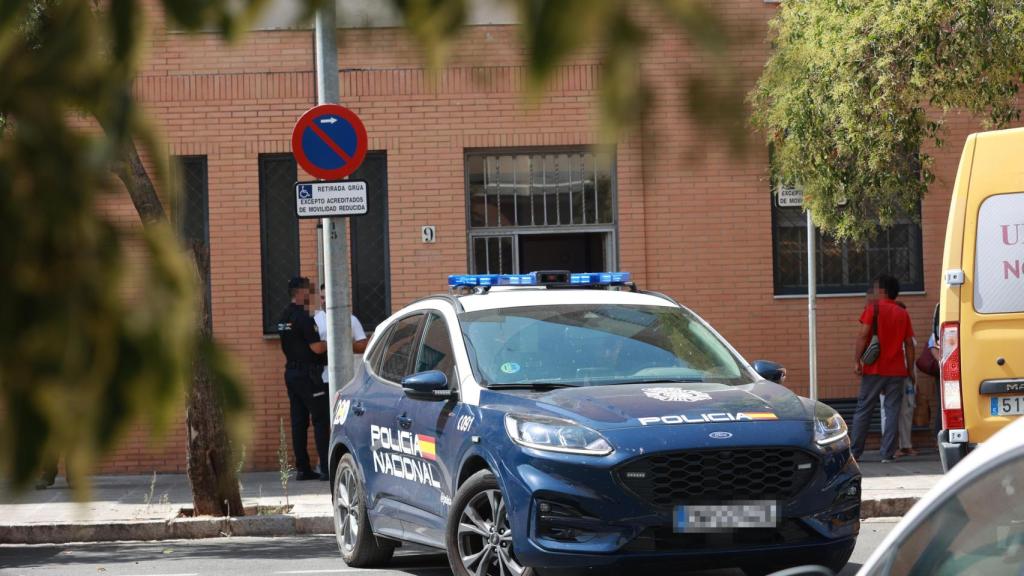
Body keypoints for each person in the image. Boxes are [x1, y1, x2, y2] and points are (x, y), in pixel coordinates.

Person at [851, 274, 916, 463]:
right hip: (897, 371)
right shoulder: (903, 313)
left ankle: (855, 452)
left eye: (876, 288)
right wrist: (910, 369)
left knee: (864, 409)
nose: (874, 291)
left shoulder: (873, 309)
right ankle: (887, 453)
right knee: (892, 411)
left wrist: (857, 361)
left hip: (874, 369)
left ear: (882, 290)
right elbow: (909, 344)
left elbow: (863, 336)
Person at [277, 277, 329, 481]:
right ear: (300, 293)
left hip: (291, 373)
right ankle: (326, 467)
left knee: (299, 422)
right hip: (309, 375)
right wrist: (332, 340)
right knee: (320, 419)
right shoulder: (304, 318)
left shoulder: (283, 316)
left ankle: (302, 468)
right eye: (308, 291)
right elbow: (316, 347)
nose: (311, 296)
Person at [312, 283, 369, 390]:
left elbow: (364, 346)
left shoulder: (351, 319)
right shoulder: (314, 320)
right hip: (322, 378)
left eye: (327, 297)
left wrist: (343, 345)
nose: (324, 301)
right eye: (322, 297)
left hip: (348, 378)